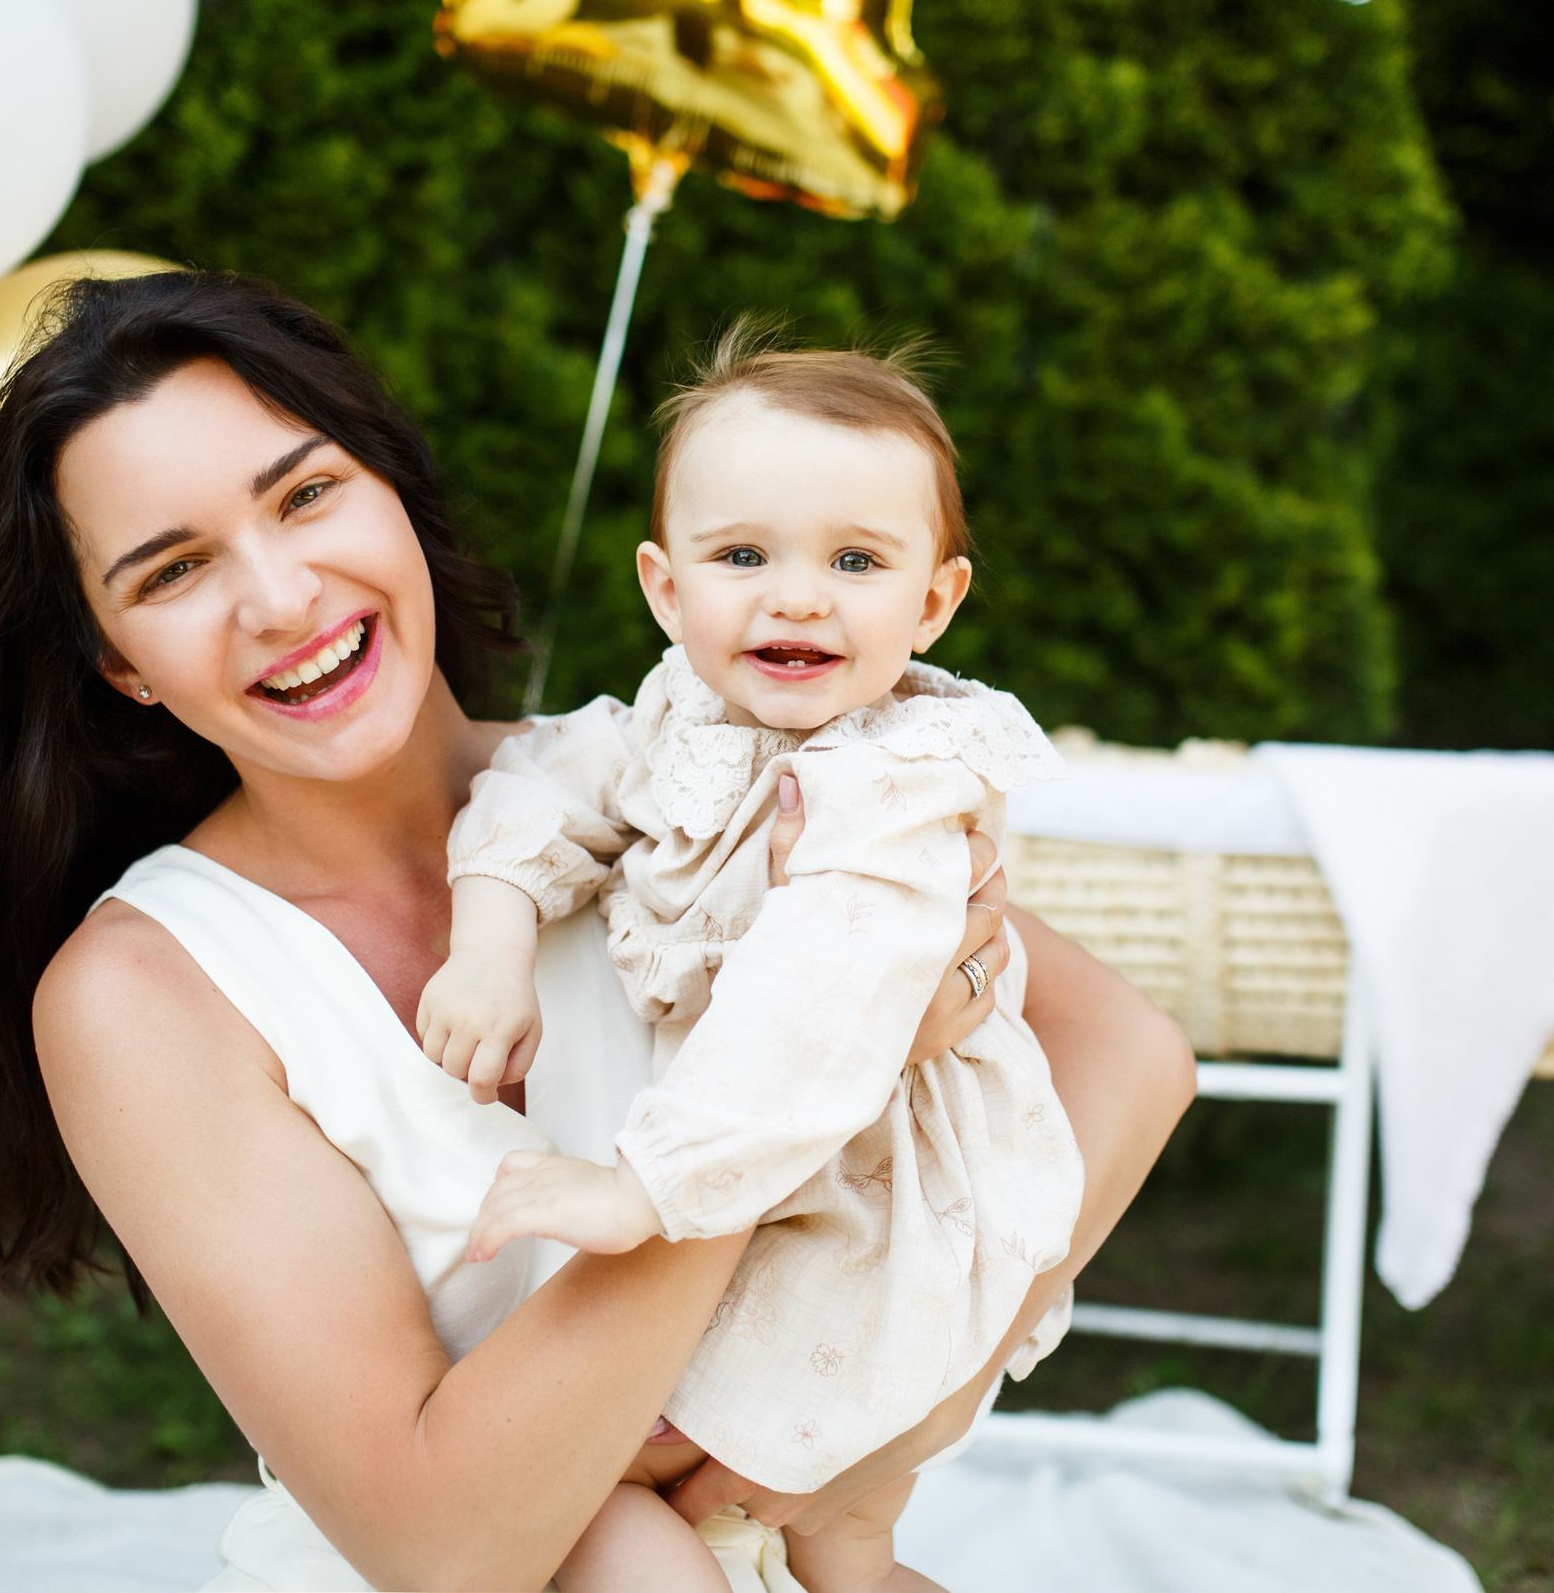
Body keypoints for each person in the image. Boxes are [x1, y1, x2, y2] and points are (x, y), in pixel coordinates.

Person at [0, 271, 1198, 1592]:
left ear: (391, 489)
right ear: (118, 659)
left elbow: (1127, 1057)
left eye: (307, 493)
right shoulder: (148, 990)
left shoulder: (678, 781)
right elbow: (446, 1543)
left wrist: (841, 1423)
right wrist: (799, 1093)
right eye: (173, 569)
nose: (279, 597)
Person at [419, 326, 1082, 1593]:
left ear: (933, 600)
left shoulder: (895, 785)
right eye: (742, 556)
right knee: (823, 1536)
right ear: (668, 591)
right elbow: (550, 778)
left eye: (854, 560)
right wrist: (492, 933)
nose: (796, 596)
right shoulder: (683, 715)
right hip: (766, 1165)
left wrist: (639, 1192)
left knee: (666, 1472)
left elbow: (814, 1008)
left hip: (879, 1199)